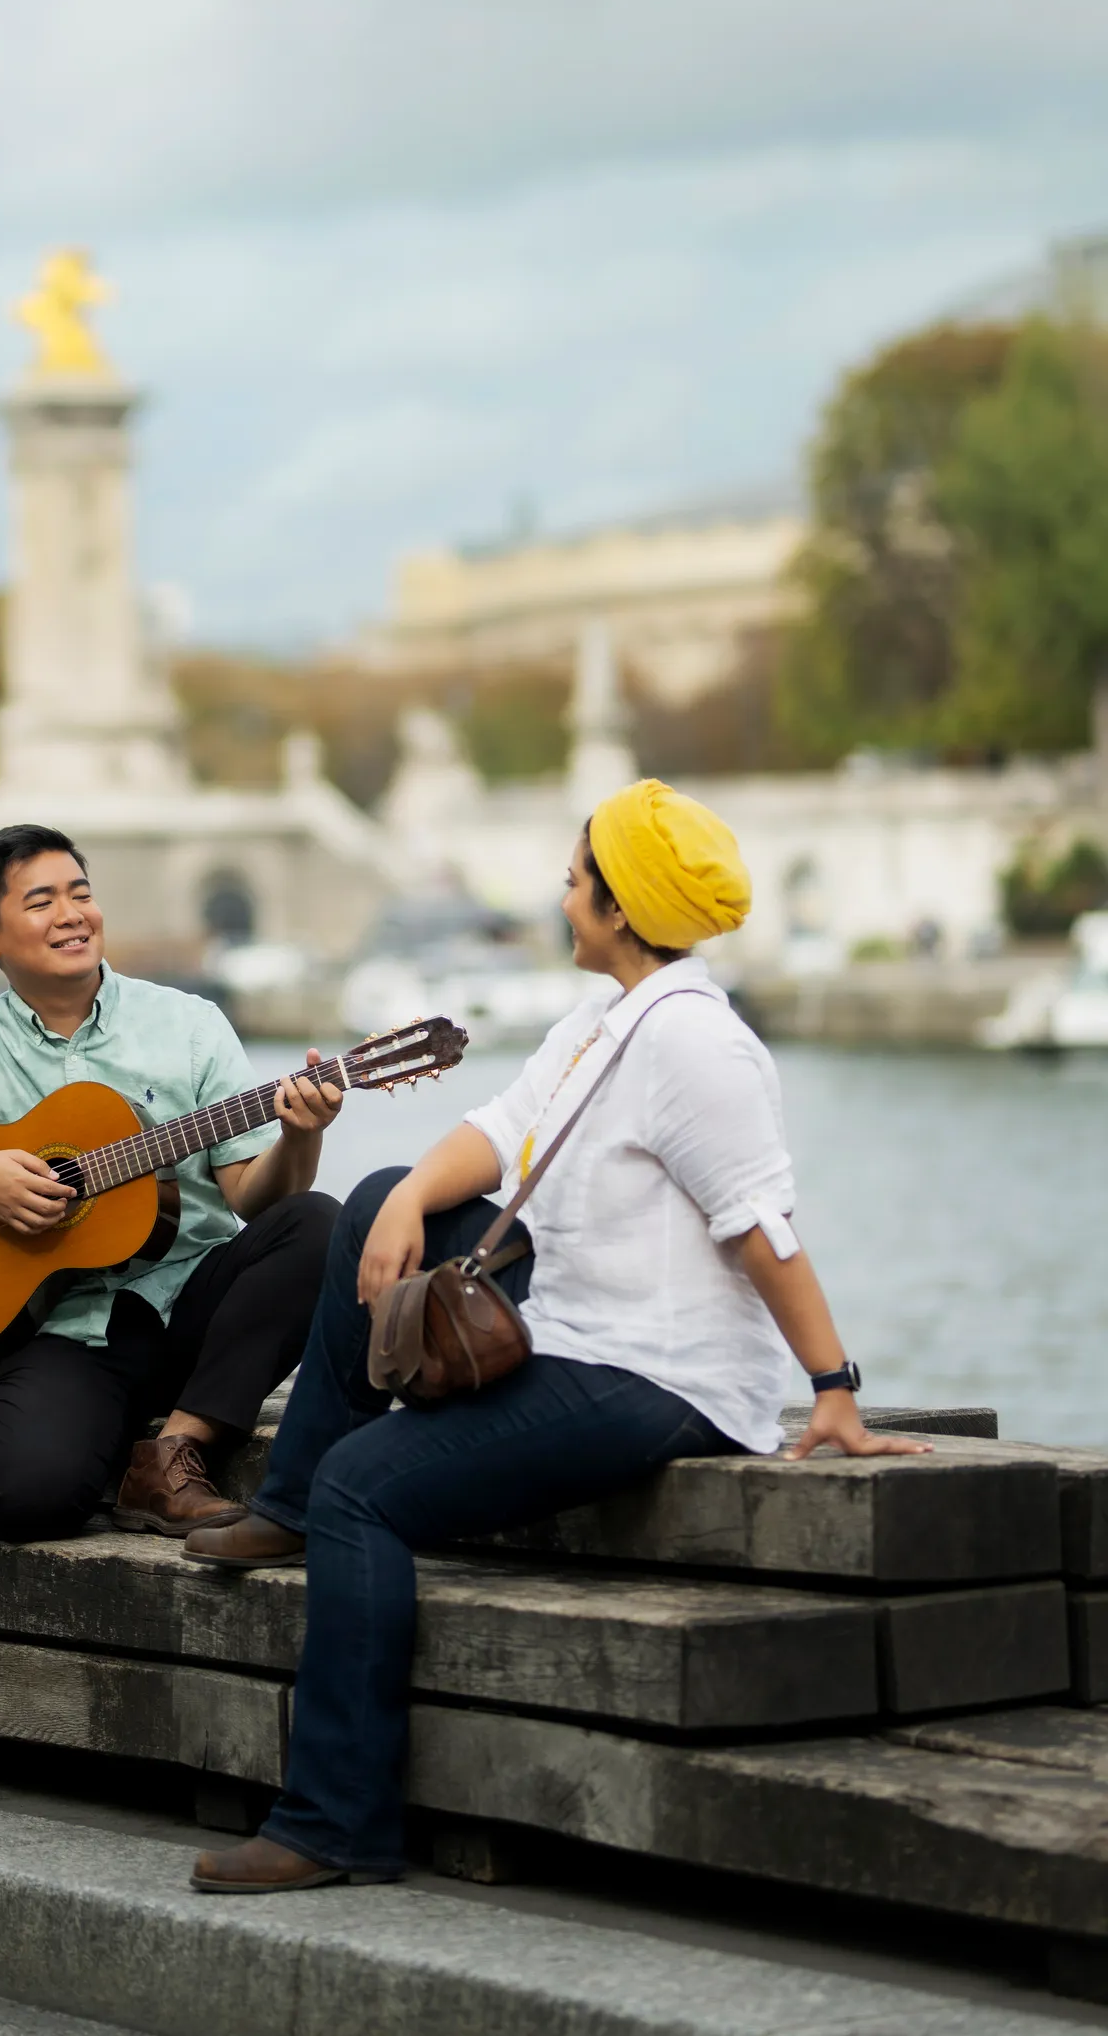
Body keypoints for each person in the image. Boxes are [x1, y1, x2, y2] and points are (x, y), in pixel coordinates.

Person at [184, 779, 928, 1894]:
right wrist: (404, 1201)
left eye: (576, 878)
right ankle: (287, 1506)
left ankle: (334, 1823)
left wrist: (832, 1388)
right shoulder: (607, 1017)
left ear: (620, 908)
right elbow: (504, 1128)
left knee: (366, 1488)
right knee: (387, 1191)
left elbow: (763, 1229)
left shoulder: (696, 1047)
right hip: (581, 1318)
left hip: (657, 1375)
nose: (561, 894)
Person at [0, 824, 344, 1540]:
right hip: (61, 1330)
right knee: (20, 1503)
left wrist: (302, 1136)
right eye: (42, 901)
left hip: (196, 1309)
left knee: (319, 1222)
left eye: (81, 894)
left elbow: (254, 1198)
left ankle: (175, 1449)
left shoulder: (188, 1024)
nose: (72, 915)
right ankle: (90, 1436)